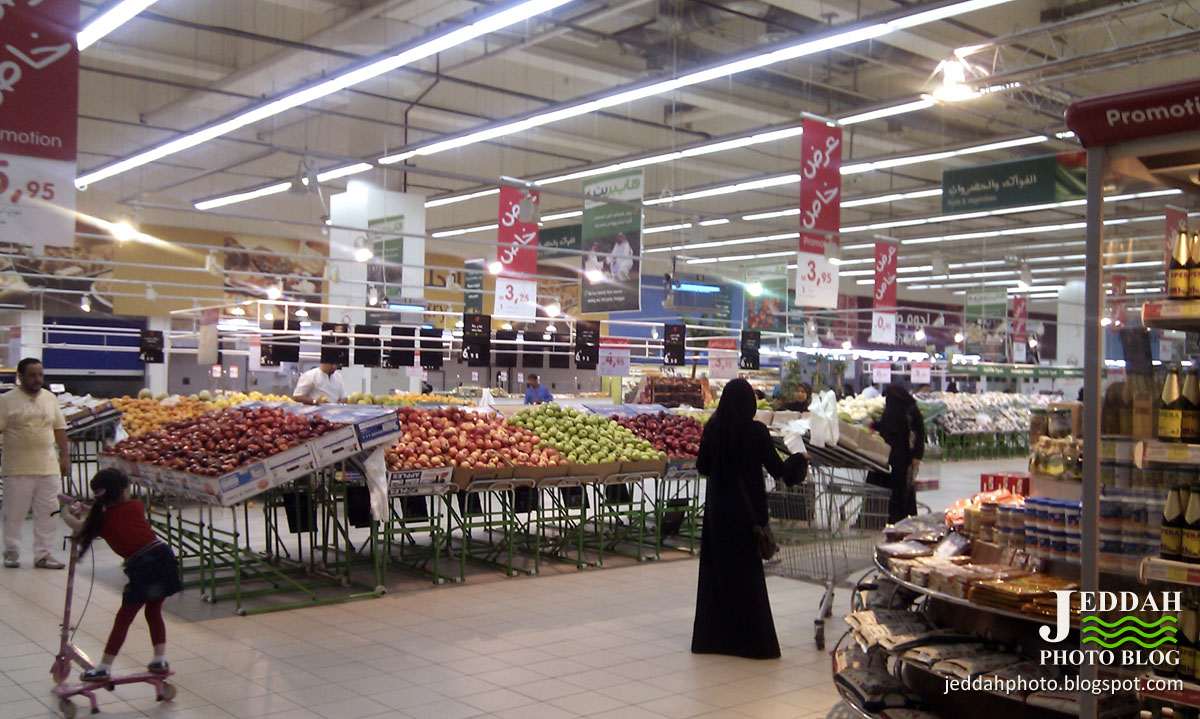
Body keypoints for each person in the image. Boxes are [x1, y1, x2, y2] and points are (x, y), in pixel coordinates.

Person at [692, 378, 785, 659]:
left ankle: (713, 640)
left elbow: (702, 467)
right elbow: (777, 468)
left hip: (719, 514)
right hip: (747, 516)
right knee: (747, 577)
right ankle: (752, 643)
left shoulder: (713, 429)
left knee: (717, 574)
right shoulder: (756, 431)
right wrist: (799, 462)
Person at [62, 469, 182, 682]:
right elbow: (118, 518)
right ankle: (160, 659)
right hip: (164, 558)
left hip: (142, 566)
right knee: (153, 611)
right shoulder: (135, 506)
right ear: (123, 491)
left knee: (124, 617)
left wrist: (65, 514)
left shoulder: (101, 521)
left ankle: (104, 667)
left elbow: (81, 528)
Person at [1, 357, 70, 569]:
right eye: (32, 375)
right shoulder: (6, 400)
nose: (37, 379)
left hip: (47, 466)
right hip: (17, 466)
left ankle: (43, 554)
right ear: (19, 376)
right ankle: (11, 551)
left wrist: (65, 456)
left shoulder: (50, 398)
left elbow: (59, 428)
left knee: (49, 511)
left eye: (40, 375)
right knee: (15, 511)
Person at [867, 383, 925, 523]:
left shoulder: (910, 411)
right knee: (896, 488)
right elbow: (887, 427)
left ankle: (899, 518)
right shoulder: (897, 408)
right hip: (889, 457)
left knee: (900, 488)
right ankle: (889, 518)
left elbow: (919, 433)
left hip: (901, 456)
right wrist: (874, 424)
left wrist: (917, 456)